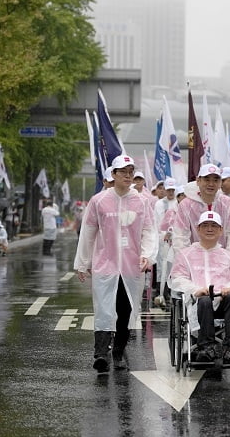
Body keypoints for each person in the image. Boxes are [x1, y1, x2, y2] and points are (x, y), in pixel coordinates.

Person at [74, 154, 158, 372]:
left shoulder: (141, 201)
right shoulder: (99, 201)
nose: (128, 176)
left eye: (131, 172)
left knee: (126, 309)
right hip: (105, 264)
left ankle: (118, 352)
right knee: (103, 309)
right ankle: (101, 354)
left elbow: (150, 231)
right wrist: (82, 262)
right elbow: (88, 232)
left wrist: (148, 255)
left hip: (132, 266)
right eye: (123, 172)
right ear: (113, 174)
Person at [170, 211, 230, 364]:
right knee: (205, 300)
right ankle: (206, 347)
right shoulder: (185, 254)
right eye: (205, 225)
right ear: (198, 229)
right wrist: (195, 289)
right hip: (197, 304)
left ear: (221, 230)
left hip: (223, 302)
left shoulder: (228, 256)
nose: (209, 229)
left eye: (214, 226)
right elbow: (178, 278)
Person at [172, 164, 230, 257]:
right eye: (207, 179)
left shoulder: (228, 203)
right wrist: (185, 261)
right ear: (198, 181)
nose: (211, 184)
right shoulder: (186, 205)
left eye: (215, 180)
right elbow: (180, 236)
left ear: (220, 183)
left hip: (222, 259)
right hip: (194, 260)